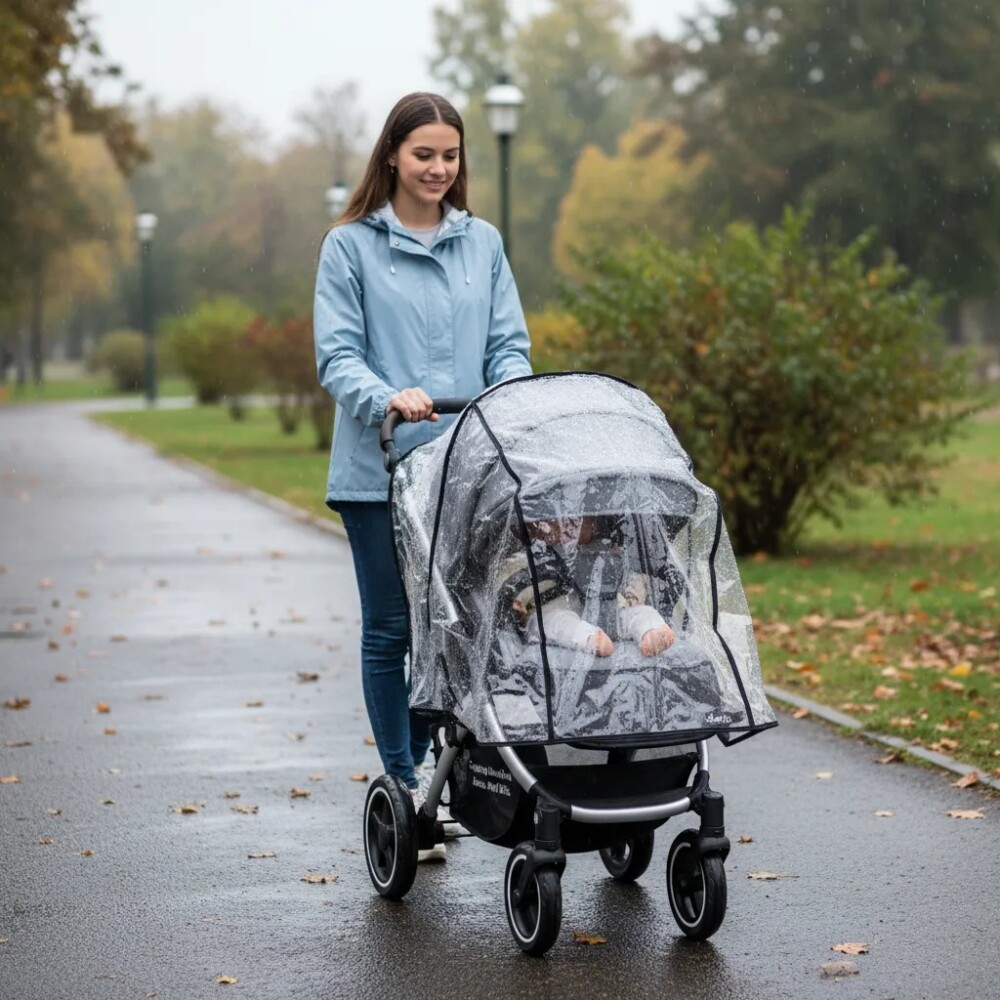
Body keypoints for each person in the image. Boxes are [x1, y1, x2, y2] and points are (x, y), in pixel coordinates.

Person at [314, 92, 532, 861]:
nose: (439, 168)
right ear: (392, 159)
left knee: (459, 624)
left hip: (465, 470)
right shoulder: (350, 248)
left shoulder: (484, 245)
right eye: (423, 155)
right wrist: (388, 396)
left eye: (450, 155)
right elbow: (337, 355)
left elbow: (509, 343)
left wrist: (508, 389)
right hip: (380, 467)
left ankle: (442, 776)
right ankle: (405, 784)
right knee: (394, 628)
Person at [502, 516, 677, 657]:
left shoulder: (603, 549)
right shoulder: (531, 555)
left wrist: (631, 595)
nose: (568, 528)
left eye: (577, 522)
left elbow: (632, 580)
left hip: (603, 610)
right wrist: (518, 603)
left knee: (639, 613)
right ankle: (589, 639)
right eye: (558, 522)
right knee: (555, 623)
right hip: (550, 609)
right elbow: (515, 584)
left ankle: (652, 630)